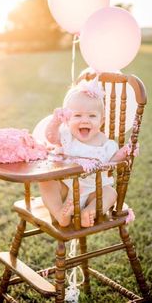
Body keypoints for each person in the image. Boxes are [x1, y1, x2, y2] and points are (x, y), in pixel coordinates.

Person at [39, 78, 137, 228]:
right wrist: (55, 122)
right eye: (77, 116)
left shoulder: (106, 144)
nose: (85, 120)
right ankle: (60, 213)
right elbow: (51, 137)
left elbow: (112, 161)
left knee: (111, 193)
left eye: (92, 116)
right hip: (66, 187)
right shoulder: (67, 136)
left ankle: (89, 212)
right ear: (68, 119)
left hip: (94, 190)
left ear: (101, 121)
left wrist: (125, 152)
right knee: (46, 182)